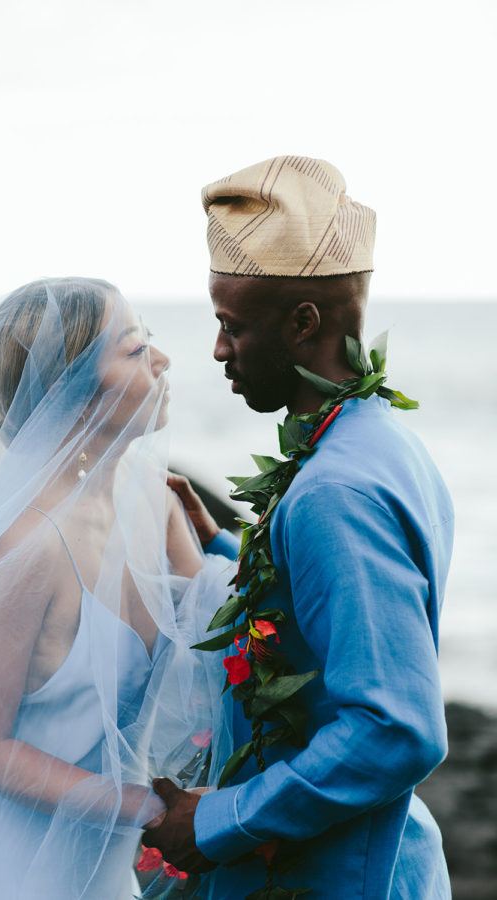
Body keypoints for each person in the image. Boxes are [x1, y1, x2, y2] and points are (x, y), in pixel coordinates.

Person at [144, 156, 454, 898]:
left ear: (303, 322)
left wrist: (215, 821)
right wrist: (229, 552)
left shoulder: (332, 491)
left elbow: (395, 728)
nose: (220, 351)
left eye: (232, 326)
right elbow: (327, 622)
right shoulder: (378, 438)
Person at [0, 277, 235, 899]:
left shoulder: (158, 501)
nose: (162, 361)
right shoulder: (27, 548)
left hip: (102, 866)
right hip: (6, 866)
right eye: (135, 351)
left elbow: (229, 626)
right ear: (73, 393)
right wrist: (147, 809)